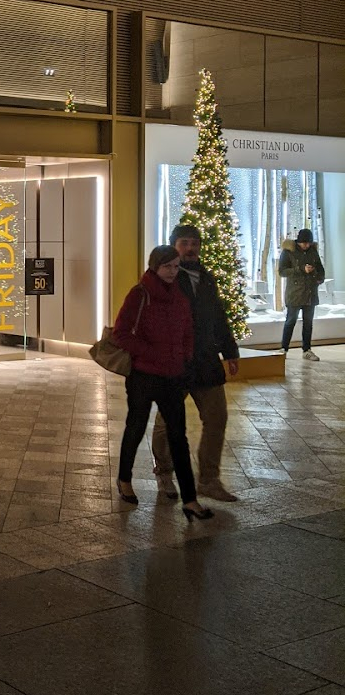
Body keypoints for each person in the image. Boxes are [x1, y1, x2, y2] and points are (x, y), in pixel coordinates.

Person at [113, 245, 213, 521]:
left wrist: (185, 356)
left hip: (172, 376)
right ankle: (124, 480)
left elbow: (187, 331)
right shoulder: (140, 295)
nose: (172, 272)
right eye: (167, 266)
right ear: (155, 267)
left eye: (176, 266)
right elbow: (122, 333)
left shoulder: (178, 297)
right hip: (144, 375)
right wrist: (152, 353)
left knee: (178, 437)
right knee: (135, 428)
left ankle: (190, 499)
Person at [150, 223, 240, 503]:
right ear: (174, 246)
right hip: (174, 363)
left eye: (194, 243)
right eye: (184, 243)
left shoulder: (207, 277)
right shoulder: (162, 278)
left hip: (205, 362)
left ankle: (209, 480)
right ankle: (164, 472)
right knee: (168, 422)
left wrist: (230, 351)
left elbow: (217, 316)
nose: (190, 248)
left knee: (217, 418)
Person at [279, 228, 325, 361]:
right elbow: (282, 271)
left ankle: (307, 349)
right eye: (304, 243)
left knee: (308, 322)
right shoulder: (288, 252)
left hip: (310, 293)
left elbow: (320, 268)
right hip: (295, 293)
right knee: (291, 321)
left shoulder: (313, 251)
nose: (306, 245)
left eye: (308, 243)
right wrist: (301, 269)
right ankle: (284, 348)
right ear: (298, 242)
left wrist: (319, 278)